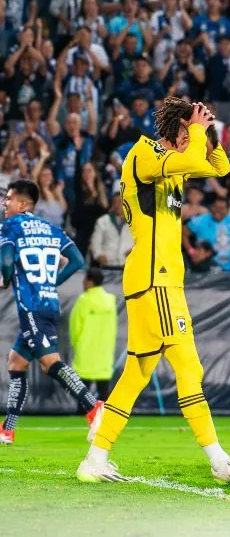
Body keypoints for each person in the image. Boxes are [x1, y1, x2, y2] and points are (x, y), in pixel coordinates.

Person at [76, 98, 230, 482]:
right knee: (188, 366)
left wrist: (206, 131)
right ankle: (218, 459)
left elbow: (219, 165)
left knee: (135, 375)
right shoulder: (144, 154)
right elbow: (196, 161)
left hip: (159, 278)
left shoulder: (175, 160)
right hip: (154, 276)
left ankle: (94, 459)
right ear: (175, 130)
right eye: (186, 132)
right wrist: (196, 133)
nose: (189, 139)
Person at [0, 179, 98, 445]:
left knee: (49, 363)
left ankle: (93, 406)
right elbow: (77, 259)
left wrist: (6, 278)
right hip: (47, 302)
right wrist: (51, 282)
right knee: (16, 362)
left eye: (8, 198)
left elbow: (7, 261)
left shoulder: (10, 225)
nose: (4, 203)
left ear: (22, 204)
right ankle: (7, 429)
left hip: (31, 306)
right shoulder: (51, 228)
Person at [69, 268, 117, 403]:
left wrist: (75, 343)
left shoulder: (83, 300)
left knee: (83, 393)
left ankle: (82, 414)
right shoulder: (110, 300)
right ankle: (103, 418)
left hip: (85, 350)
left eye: (85, 280)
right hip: (105, 350)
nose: (83, 283)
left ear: (90, 282)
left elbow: (75, 325)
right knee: (104, 392)